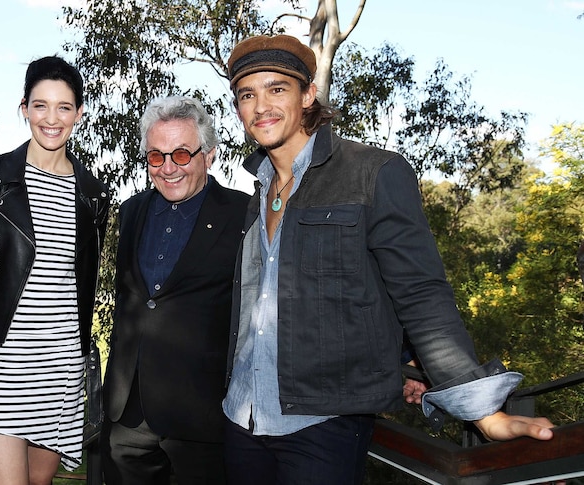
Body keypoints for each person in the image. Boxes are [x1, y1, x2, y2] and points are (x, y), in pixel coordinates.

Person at [222, 34, 555, 484]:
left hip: (323, 425)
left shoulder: (374, 172)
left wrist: (482, 413)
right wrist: (398, 360)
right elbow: (337, 299)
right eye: (248, 94)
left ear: (308, 95)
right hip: (241, 418)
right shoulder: (256, 193)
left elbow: (419, 293)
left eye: (277, 88)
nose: (262, 105)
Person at [0, 55, 110, 485]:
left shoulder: (93, 194)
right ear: (24, 107)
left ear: (80, 114)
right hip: (1, 362)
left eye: (64, 107)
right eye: (40, 105)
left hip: (61, 365)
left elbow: (82, 280)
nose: (51, 118)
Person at [101, 96, 250, 484]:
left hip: (202, 417)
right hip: (128, 416)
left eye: (181, 154)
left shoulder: (244, 214)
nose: (168, 168)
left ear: (209, 154)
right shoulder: (130, 211)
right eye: (156, 156)